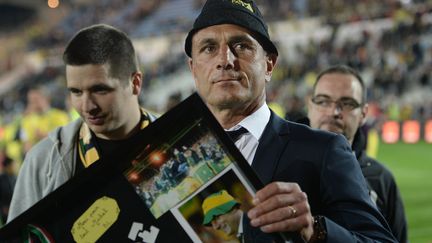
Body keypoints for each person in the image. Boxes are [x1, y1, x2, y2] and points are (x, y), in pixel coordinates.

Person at [185, 0, 396, 242]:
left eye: (241, 46)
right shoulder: (180, 157)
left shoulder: (324, 150)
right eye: (209, 48)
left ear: (269, 64)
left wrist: (315, 230)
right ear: (193, 68)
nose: (225, 60)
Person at [7, 24, 157, 222]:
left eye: (100, 90)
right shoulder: (42, 161)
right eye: (76, 92)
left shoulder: (176, 129)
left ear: (135, 83)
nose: (87, 107)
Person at [306, 65, 408, 243]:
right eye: (323, 101)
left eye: (347, 103)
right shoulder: (282, 160)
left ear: (363, 114)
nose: (334, 112)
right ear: (310, 106)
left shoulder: (381, 179)